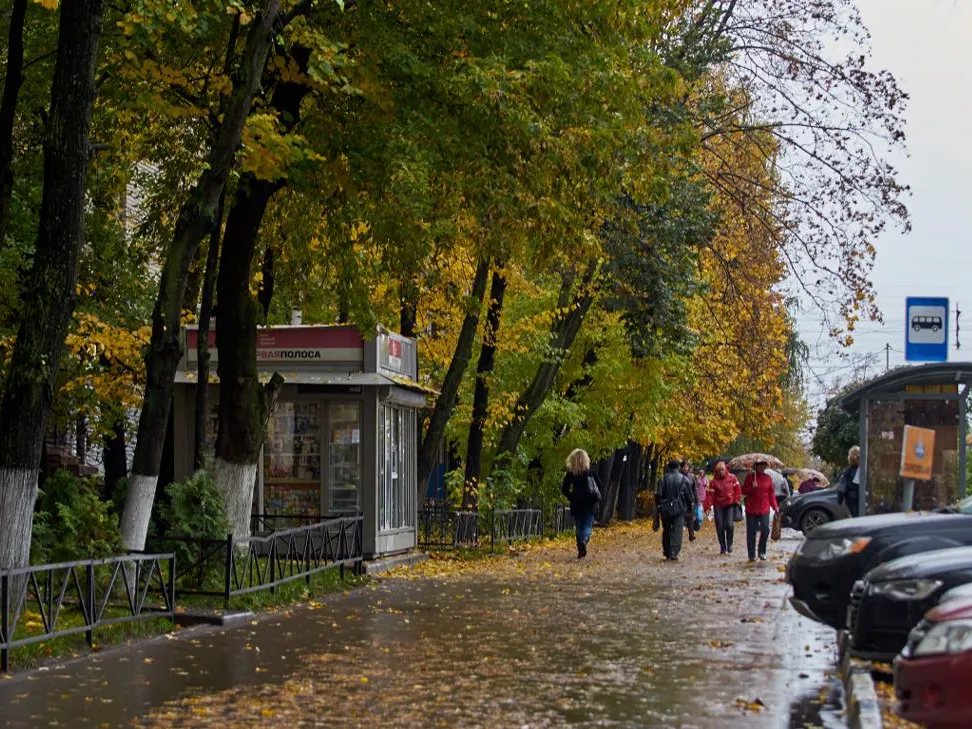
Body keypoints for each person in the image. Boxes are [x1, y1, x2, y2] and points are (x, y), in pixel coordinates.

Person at [561, 448, 602, 558]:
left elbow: (564, 489)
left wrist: (571, 497)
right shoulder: (590, 473)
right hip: (589, 503)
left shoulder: (571, 474)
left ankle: (580, 550)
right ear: (586, 460)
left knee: (579, 527)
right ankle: (584, 540)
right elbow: (600, 486)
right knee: (587, 525)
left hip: (576, 503)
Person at [742, 459, 779, 562]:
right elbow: (743, 490)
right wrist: (752, 487)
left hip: (764, 508)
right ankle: (751, 554)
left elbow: (771, 494)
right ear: (756, 466)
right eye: (761, 466)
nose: (763, 468)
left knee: (765, 529)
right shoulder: (750, 477)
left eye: (764, 466)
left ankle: (762, 551)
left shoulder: (768, 478)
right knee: (751, 532)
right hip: (751, 508)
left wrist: (775, 506)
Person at [657, 460, 694, 561]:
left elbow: (659, 494)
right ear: (678, 467)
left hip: (665, 508)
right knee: (677, 529)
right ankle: (674, 551)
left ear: (668, 467)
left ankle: (667, 550)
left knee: (667, 529)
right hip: (679, 508)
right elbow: (689, 497)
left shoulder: (663, 478)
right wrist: (689, 509)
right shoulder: (684, 479)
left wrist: (659, 506)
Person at [704, 461, 741, 554]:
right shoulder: (713, 482)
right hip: (718, 505)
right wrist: (707, 507)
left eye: (722, 470)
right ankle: (723, 547)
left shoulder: (732, 478)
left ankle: (730, 544)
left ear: (726, 470)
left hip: (730, 504)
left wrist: (736, 498)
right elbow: (710, 495)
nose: (721, 472)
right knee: (720, 526)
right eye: (719, 471)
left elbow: (738, 489)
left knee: (729, 525)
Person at [836, 445, 862, 517]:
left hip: (851, 499)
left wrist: (839, 500)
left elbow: (841, 488)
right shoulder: (865, 470)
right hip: (862, 498)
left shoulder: (848, 471)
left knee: (855, 516)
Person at [680, 460, 700, 542]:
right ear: (681, 468)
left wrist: (697, 500)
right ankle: (679, 533)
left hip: (690, 499)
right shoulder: (678, 476)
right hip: (681, 500)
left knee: (690, 517)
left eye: (687, 467)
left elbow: (695, 489)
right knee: (681, 517)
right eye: (684, 467)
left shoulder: (691, 477)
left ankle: (691, 535)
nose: (685, 468)